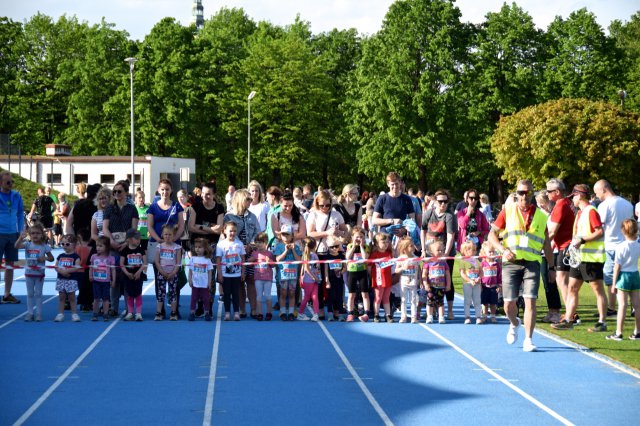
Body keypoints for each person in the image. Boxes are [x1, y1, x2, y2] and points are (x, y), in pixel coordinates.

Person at [488, 179, 554, 352]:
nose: (524, 196)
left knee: (530, 301)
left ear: (532, 194)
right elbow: (491, 236)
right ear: (516, 194)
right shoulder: (507, 211)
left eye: (528, 192)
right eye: (521, 192)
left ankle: (529, 339)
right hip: (511, 262)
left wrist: (552, 267)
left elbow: (546, 243)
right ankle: (514, 323)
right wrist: (503, 250)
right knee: (509, 304)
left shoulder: (540, 215)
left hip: (532, 263)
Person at [552, 184, 608, 333]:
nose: (572, 200)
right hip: (579, 258)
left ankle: (602, 322)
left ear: (580, 195)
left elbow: (599, 232)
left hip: (591, 259)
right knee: (571, 288)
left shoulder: (591, 211)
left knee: (598, 290)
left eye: (574, 197)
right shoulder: (580, 213)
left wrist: (582, 240)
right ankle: (569, 319)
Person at [593, 179, 634, 316]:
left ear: (604, 189)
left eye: (597, 192)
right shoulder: (627, 204)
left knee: (611, 277)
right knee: (627, 275)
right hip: (627, 244)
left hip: (612, 245)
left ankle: (611, 307)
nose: (596, 195)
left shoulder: (604, 206)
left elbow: (601, 228)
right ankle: (633, 305)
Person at [103, 180, 139, 316]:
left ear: (126, 193)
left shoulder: (132, 209)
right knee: (114, 278)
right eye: (114, 192)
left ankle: (128, 308)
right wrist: (111, 240)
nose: (116, 194)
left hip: (127, 246)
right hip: (113, 247)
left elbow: (134, 228)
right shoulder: (109, 209)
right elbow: (105, 228)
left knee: (127, 276)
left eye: (119, 191)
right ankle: (114, 307)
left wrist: (127, 243)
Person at [421, 190, 457, 319]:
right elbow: (423, 230)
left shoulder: (449, 216)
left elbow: (450, 235)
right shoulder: (428, 214)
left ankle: (450, 310)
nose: (443, 204)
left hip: (444, 252)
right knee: (430, 280)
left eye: (445, 201)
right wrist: (423, 250)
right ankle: (431, 309)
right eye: (440, 201)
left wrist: (445, 254)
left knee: (447, 280)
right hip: (430, 253)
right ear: (435, 202)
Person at [224, 189, 260, 318]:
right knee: (239, 281)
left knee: (251, 280)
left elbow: (258, 234)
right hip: (235, 254)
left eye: (251, 199)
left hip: (250, 253)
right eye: (248, 199)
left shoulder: (252, 216)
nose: (250, 201)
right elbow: (226, 235)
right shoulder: (228, 217)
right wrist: (239, 246)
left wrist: (250, 245)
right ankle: (242, 309)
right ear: (240, 200)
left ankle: (254, 309)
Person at [545, 178, 575, 324]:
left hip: (565, 246)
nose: (547, 194)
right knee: (567, 282)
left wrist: (541, 244)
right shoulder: (568, 203)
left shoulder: (560, 205)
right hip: (568, 245)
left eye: (549, 191)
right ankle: (571, 312)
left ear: (557, 192)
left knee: (562, 280)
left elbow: (552, 231)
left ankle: (571, 314)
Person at [606, 219, 640, 341]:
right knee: (637, 305)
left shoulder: (620, 247)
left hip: (624, 276)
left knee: (622, 305)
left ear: (623, 230)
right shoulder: (638, 245)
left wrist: (614, 283)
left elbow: (617, 267)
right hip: (635, 274)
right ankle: (638, 331)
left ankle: (619, 332)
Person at [15, 223, 53, 321]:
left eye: (37, 233)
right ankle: (30, 313)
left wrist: (44, 257)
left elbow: (51, 258)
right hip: (29, 273)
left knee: (38, 294)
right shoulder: (28, 244)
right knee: (30, 293)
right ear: (29, 235)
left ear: (42, 235)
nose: (35, 235)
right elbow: (16, 246)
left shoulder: (45, 246)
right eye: (32, 233)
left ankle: (39, 314)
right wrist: (20, 238)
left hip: (39, 274)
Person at [0, 170, 25, 304]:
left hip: (12, 234)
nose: (11, 184)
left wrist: (21, 230)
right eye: (8, 182)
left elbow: (20, 213)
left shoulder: (16, 196)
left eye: (12, 182)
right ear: (1, 182)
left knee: (10, 264)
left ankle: (7, 293)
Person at [216, 221, 245, 321]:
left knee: (236, 294)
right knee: (226, 294)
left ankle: (236, 312)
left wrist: (243, 272)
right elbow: (218, 260)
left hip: (236, 275)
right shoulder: (220, 245)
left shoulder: (239, 244)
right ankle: (227, 312)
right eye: (230, 231)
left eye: (234, 231)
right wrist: (219, 274)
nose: (232, 233)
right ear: (224, 231)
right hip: (225, 275)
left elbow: (243, 259)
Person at [272, 224, 302, 321]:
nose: (285, 236)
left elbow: (299, 259)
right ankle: (283, 311)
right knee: (283, 293)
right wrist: (285, 251)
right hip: (283, 275)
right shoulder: (279, 246)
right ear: (281, 236)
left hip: (293, 274)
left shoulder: (296, 247)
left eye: (288, 234)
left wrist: (293, 250)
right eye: (283, 234)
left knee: (292, 293)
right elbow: (278, 260)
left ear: (292, 236)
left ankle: (291, 312)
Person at [154, 224, 182, 321]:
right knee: (160, 293)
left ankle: (173, 313)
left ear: (174, 236)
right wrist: (162, 272)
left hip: (173, 274)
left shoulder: (177, 247)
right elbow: (157, 262)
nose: (167, 236)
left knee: (173, 293)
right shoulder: (159, 247)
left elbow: (178, 263)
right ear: (162, 235)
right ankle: (159, 312)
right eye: (165, 234)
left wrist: (173, 273)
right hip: (162, 274)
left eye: (170, 235)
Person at [54, 234, 83, 322]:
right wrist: (62, 271)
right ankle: (60, 314)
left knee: (72, 298)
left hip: (71, 280)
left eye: (67, 244)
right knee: (61, 297)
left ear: (74, 244)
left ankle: (74, 314)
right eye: (62, 244)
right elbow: (56, 266)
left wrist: (67, 271)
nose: (64, 246)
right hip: (61, 279)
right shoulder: (60, 256)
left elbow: (77, 267)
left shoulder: (76, 257)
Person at [345, 226, 371, 322]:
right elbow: (347, 257)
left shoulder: (366, 247)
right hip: (352, 272)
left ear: (364, 238)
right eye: (356, 236)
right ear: (352, 237)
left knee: (365, 294)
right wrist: (353, 246)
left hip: (362, 272)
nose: (358, 238)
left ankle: (366, 313)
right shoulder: (349, 246)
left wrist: (360, 246)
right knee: (351, 295)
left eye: (361, 236)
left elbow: (365, 258)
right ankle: (350, 313)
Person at [247, 232, 275, 321]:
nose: (258, 244)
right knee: (258, 296)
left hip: (267, 278)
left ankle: (269, 312)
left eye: (261, 242)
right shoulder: (255, 253)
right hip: (258, 278)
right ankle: (259, 313)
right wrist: (252, 260)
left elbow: (273, 265)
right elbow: (249, 262)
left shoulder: (269, 253)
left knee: (267, 296)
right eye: (257, 242)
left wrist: (269, 260)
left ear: (265, 243)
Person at [120, 229, 146, 322]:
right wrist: (127, 273)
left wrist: (139, 272)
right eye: (136, 238)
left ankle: (138, 313)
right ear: (130, 239)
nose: (139, 240)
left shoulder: (141, 249)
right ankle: (130, 312)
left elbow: (145, 263)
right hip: (128, 276)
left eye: (139, 238)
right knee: (130, 295)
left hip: (138, 276)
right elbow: (121, 264)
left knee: (138, 294)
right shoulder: (125, 250)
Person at [423, 241, 451, 324]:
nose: (440, 252)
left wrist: (448, 284)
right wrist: (425, 284)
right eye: (438, 250)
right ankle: (430, 316)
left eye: (442, 250)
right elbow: (424, 274)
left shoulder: (444, 263)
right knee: (430, 302)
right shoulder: (428, 262)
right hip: (431, 286)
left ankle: (441, 316)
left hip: (441, 286)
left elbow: (448, 275)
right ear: (431, 252)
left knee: (440, 302)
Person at [89, 236, 116, 322]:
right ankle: (95, 314)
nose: (98, 248)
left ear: (107, 247)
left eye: (100, 246)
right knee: (96, 298)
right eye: (97, 246)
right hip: (96, 281)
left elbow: (113, 269)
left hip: (106, 282)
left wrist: (114, 280)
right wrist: (90, 276)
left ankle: (106, 313)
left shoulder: (110, 258)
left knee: (106, 299)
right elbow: (91, 267)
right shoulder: (94, 257)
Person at [395, 237, 421, 323]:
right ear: (405, 248)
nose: (413, 247)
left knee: (413, 300)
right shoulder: (401, 258)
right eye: (411, 246)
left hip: (413, 282)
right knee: (403, 300)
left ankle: (414, 317)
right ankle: (403, 316)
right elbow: (396, 270)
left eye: (413, 245)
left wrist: (420, 280)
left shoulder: (416, 258)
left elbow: (419, 269)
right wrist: (402, 267)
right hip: (404, 283)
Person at [369, 233, 394, 323]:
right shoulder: (374, 254)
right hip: (378, 280)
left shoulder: (389, 254)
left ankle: (388, 315)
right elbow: (369, 266)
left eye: (387, 242)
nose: (386, 244)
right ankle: (376, 314)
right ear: (376, 243)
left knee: (386, 297)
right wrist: (373, 277)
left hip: (388, 279)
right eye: (383, 242)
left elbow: (391, 266)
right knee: (378, 297)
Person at [187, 238, 214, 322]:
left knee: (206, 299)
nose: (197, 249)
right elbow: (190, 271)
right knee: (193, 298)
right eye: (196, 247)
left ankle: (207, 313)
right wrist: (190, 280)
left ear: (205, 248)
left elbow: (210, 272)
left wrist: (209, 282)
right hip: (195, 284)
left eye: (200, 247)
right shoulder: (192, 259)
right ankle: (192, 312)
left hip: (204, 284)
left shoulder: (207, 260)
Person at [459, 240, 484, 324]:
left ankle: (478, 316)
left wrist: (479, 278)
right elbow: (462, 273)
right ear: (465, 251)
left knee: (477, 300)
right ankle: (467, 317)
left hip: (477, 284)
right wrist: (469, 280)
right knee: (467, 301)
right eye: (470, 250)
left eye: (474, 250)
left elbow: (481, 272)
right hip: (467, 284)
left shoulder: (477, 261)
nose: (473, 252)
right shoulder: (463, 261)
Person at [296, 238, 322, 322]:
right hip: (309, 280)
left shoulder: (311, 255)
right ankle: (300, 313)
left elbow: (317, 267)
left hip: (313, 280)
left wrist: (317, 276)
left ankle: (315, 314)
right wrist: (314, 277)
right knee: (307, 297)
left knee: (315, 297)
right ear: (314, 246)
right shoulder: (309, 255)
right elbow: (306, 268)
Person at [325, 236, 347, 321]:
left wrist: (341, 271)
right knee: (330, 297)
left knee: (340, 297)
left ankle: (341, 314)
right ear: (328, 247)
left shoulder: (341, 256)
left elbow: (345, 267)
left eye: (336, 246)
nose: (334, 248)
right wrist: (327, 280)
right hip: (331, 279)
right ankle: (330, 314)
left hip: (339, 279)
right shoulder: (327, 257)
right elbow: (326, 270)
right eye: (332, 247)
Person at [479, 241, 501, 324]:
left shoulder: (497, 264)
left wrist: (499, 285)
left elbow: (499, 275)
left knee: (493, 303)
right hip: (485, 286)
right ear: (484, 253)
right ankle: (484, 316)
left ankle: (493, 316)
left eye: (493, 251)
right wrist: (480, 284)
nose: (492, 253)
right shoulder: (483, 264)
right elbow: (480, 275)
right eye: (489, 252)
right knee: (484, 303)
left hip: (493, 287)